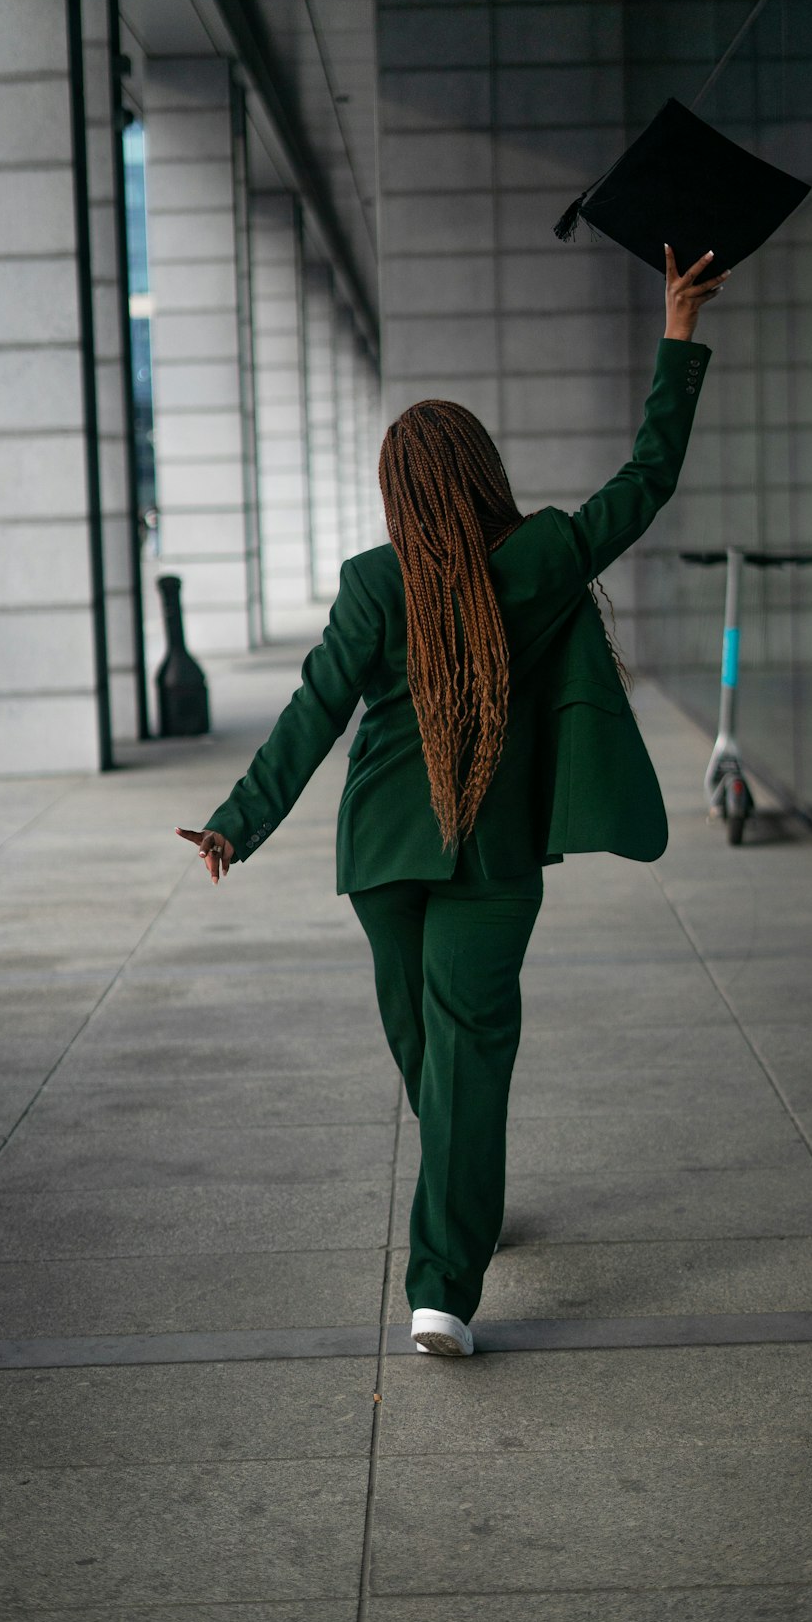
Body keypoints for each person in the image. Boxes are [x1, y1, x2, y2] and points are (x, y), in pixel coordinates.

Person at [176, 244, 726, 1356]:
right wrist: (675, 336)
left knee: (450, 1047)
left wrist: (244, 816)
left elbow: (311, 714)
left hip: (386, 852)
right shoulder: (541, 557)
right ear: (477, 469)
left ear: (399, 491)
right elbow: (648, 478)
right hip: (471, 858)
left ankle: (443, 1284)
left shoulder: (382, 580)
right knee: (442, 1052)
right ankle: (463, 1190)